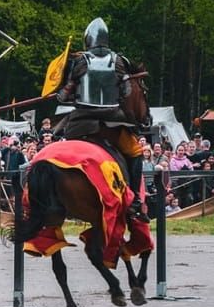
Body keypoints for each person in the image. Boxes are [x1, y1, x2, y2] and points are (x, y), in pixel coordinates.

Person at [55, 17, 150, 222]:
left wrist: (62, 95)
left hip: (81, 123)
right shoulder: (118, 60)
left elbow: (65, 95)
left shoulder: (80, 61)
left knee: (55, 150)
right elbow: (125, 92)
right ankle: (134, 200)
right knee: (135, 152)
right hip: (112, 122)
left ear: (88, 39)